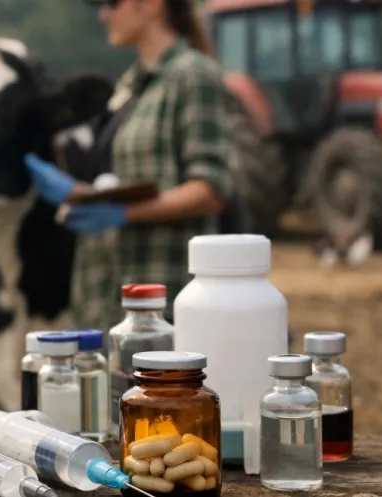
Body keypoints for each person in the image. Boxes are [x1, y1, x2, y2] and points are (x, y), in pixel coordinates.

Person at [25, 0, 236, 329]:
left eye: (112, 3)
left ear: (152, 5)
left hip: (163, 306)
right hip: (109, 301)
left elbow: (210, 188)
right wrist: (81, 194)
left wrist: (124, 214)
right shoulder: (128, 87)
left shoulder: (193, 76)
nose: (103, 14)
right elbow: (124, 181)